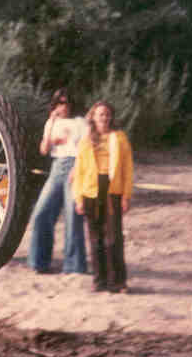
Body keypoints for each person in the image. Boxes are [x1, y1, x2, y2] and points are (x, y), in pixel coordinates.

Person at [72, 100, 134, 293]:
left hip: (112, 189)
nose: (104, 118)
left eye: (107, 114)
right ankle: (99, 281)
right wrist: (78, 198)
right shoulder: (86, 141)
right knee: (95, 237)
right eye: (101, 114)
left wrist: (126, 196)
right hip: (90, 190)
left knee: (113, 237)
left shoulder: (120, 138)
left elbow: (128, 169)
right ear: (93, 117)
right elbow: (79, 171)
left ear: (111, 117)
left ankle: (118, 282)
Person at [27, 87, 88, 275]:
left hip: (75, 165)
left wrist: (77, 169)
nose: (64, 106)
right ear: (55, 105)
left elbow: (85, 149)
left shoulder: (80, 122)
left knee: (72, 216)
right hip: (56, 167)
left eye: (67, 102)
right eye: (60, 102)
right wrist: (52, 123)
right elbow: (44, 150)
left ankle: (74, 265)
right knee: (41, 212)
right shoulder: (51, 122)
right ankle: (39, 262)